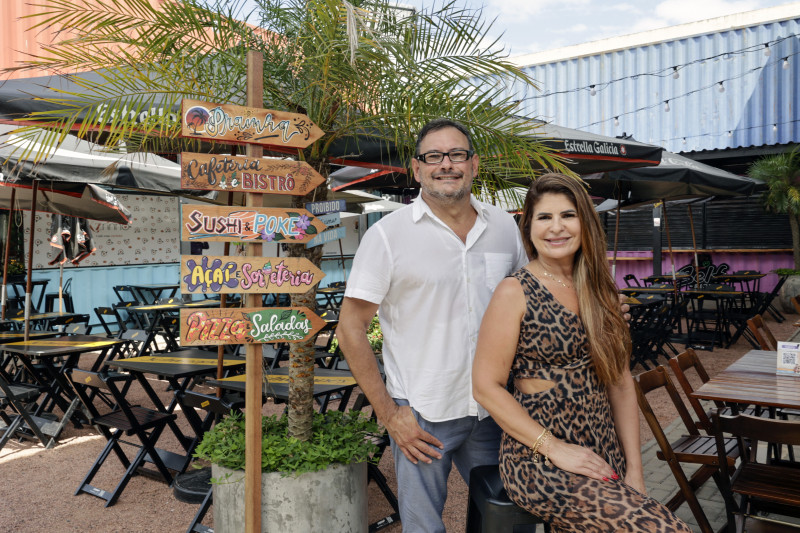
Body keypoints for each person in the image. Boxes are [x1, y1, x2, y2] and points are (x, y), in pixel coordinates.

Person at [337, 117, 528, 532]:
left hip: (494, 407)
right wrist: (390, 415)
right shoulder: (387, 237)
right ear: (417, 167)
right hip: (422, 413)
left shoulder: (504, 228)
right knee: (424, 527)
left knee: (506, 520)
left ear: (474, 164)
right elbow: (350, 329)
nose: (447, 164)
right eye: (434, 156)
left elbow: (533, 301)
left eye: (457, 154)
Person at [472, 173, 692, 532]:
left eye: (567, 215)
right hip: (540, 459)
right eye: (544, 217)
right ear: (528, 227)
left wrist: (635, 471)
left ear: (585, 223)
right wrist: (556, 448)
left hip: (603, 448)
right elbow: (485, 387)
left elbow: (621, 385)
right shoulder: (515, 291)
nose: (556, 227)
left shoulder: (603, 292)